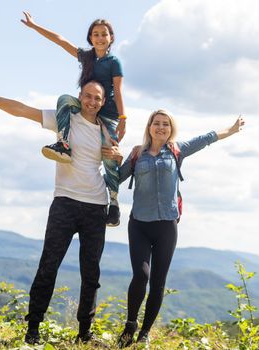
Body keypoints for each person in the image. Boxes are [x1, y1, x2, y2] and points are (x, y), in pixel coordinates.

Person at [0, 76, 112, 346]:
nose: (92, 101)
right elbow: (20, 109)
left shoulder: (107, 130)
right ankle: (33, 327)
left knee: (91, 273)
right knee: (49, 265)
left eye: (97, 98)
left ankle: (85, 333)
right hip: (65, 202)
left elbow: (116, 160)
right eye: (87, 95)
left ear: (103, 102)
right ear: (79, 96)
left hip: (96, 204)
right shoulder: (64, 118)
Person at [102, 110, 245, 348]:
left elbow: (206, 138)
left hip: (167, 225)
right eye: (156, 123)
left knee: (158, 281)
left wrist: (230, 130)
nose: (160, 127)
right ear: (149, 127)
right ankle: (130, 325)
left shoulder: (177, 150)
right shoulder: (138, 153)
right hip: (139, 224)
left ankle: (145, 333)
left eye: (165, 124)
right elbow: (117, 177)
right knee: (141, 275)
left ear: (171, 128)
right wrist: (115, 159)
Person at [21, 12, 125, 227]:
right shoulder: (86, 57)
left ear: (111, 38)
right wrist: (34, 26)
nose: (100, 38)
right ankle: (63, 144)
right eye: (95, 34)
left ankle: (113, 202)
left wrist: (123, 118)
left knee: (109, 155)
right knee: (65, 100)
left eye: (104, 34)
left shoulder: (114, 61)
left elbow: (117, 89)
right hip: (86, 103)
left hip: (108, 112)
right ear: (90, 38)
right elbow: (60, 41)